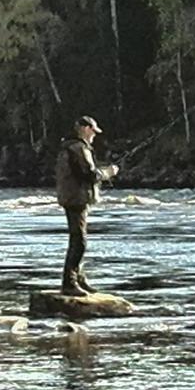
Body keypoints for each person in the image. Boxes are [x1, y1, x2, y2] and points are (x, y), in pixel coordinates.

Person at [55, 115, 119, 296]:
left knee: (78, 240)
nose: (94, 136)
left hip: (73, 197)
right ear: (85, 128)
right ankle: (70, 283)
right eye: (93, 131)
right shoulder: (78, 148)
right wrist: (108, 172)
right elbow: (90, 175)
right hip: (76, 199)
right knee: (79, 242)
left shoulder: (71, 147)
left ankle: (79, 280)